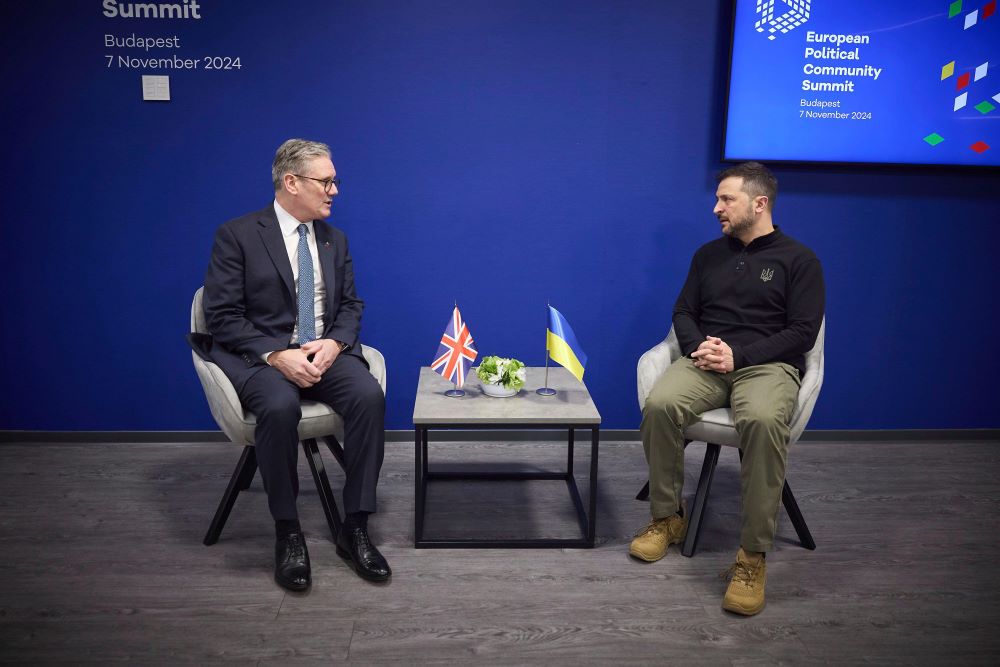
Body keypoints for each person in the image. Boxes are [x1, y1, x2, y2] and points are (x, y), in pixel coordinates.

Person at [630, 161, 824, 615]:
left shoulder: (800, 260)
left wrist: (740, 356)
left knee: (759, 419)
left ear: (759, 204)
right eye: (717, 199)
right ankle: (666, 518)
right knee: (659, 403)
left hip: (767, 367)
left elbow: (803, 333)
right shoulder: (707, 256)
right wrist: (701, 348)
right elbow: (683, 312)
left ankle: (751, 556)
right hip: (706, 362)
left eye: (726, 199)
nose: (716, 207)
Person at [202, 139, 390, 591]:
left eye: (333, 181)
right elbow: (222, 316)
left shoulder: (334, 239)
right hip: (262, 358)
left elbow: (350, 305)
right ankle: (287, 532)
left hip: (323, 352)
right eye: (326, 181)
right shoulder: (239, 235)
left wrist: (336, 341)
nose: (334, 191)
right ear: (291, 182)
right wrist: (275, 354)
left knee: (369, 396)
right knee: (280, 407)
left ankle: (356, 526)